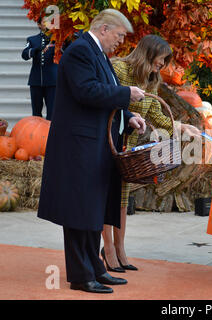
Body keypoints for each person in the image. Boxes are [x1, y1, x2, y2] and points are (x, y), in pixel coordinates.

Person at [37, 9, 147, 294]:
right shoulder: (80, 52)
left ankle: (95, 268)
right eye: (119, 36)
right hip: (78, 147)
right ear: (104, 29)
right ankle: (81, 276)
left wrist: (127, 114)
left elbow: (104, 90)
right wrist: (126, 94)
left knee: (92, 211)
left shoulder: (96, 53)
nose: (120, 43)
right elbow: (87, 91)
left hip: (93, 145)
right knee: (78, 212)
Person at [100, 34, 201, 272]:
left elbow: (155, 110)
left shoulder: (150, 79)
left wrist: (180, 127)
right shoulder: (119, 69)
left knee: (123, 199)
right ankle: (109, 250)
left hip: (129, 148)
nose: (162, 65)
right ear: (148, 53)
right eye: (161, 59)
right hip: (108, 141)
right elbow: (107, 100)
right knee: (107, 198)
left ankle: (120, 248)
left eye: (165, 61)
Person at [21, 16, 58, 120]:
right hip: (36, 80)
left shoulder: (58, 39)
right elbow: (24, 55)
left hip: (53, 81)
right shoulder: (32, 39)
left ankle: (49, 136)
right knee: (36, 113)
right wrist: (35, 49)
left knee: (52, 113)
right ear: (39, 25)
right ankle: (36, 135)